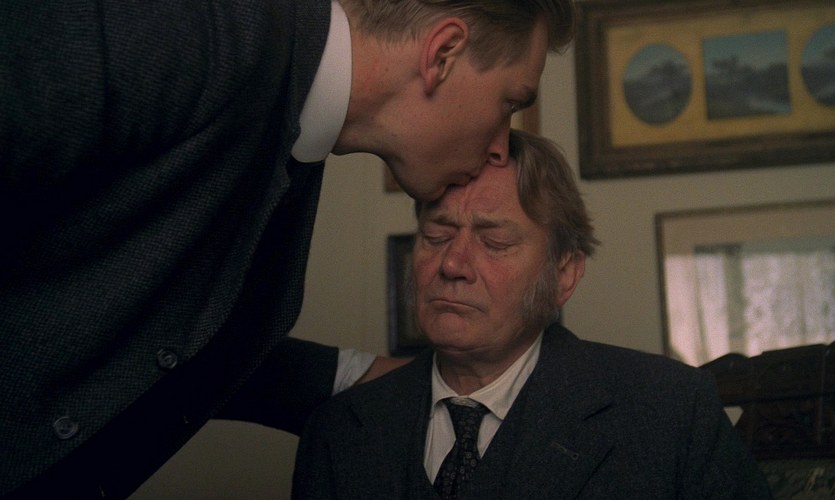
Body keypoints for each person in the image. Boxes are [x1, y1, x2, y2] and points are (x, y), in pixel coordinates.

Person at [0, 0, 578, 497]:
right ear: (442, 54)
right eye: (510, 103)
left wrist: (360, 378)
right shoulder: (191, 24)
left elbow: (171, 336)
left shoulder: (292, 140)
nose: (500, 147)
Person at [292, 129, 772, 499]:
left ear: (564, 275)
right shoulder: (340, 430)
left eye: (495, 241)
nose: (452, 264)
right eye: (436, 235)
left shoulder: (670, 411)